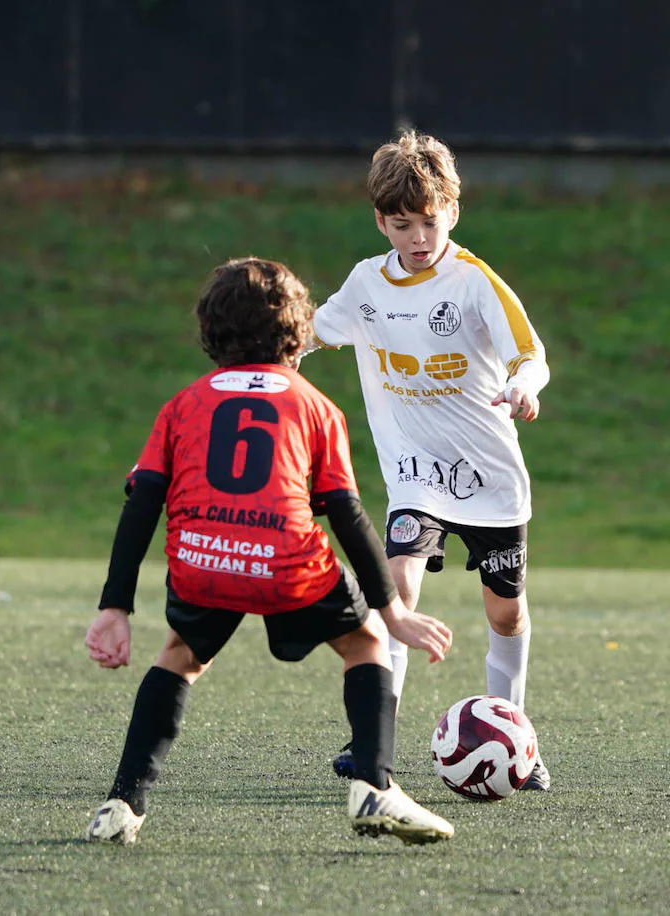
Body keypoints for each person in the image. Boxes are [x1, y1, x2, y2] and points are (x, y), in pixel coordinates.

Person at [82, 256, 456, 847]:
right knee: (364, 644)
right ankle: (375, 785)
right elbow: (347, 513)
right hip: (288, 565)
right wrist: (394, 610)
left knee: (180, 654)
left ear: (210, 330)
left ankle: (122, 804)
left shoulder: (182, 405)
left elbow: (142, 503)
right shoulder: (314, 405)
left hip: (202, 561)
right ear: (298, 331)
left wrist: (115, 607)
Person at [308, 131, 552, 790]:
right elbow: (307, 333)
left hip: (490, 480)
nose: (418, 236)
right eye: (401, 223)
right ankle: (373, 746)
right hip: (417, 478)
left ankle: (514, 738)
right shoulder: (367, 284)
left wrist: (525, 384)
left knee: (505, 613)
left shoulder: (473, 283)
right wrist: (260, 352)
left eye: (430, 220)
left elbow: (531, 354)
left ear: (453, 211)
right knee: (397, 589)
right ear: (380, 220)